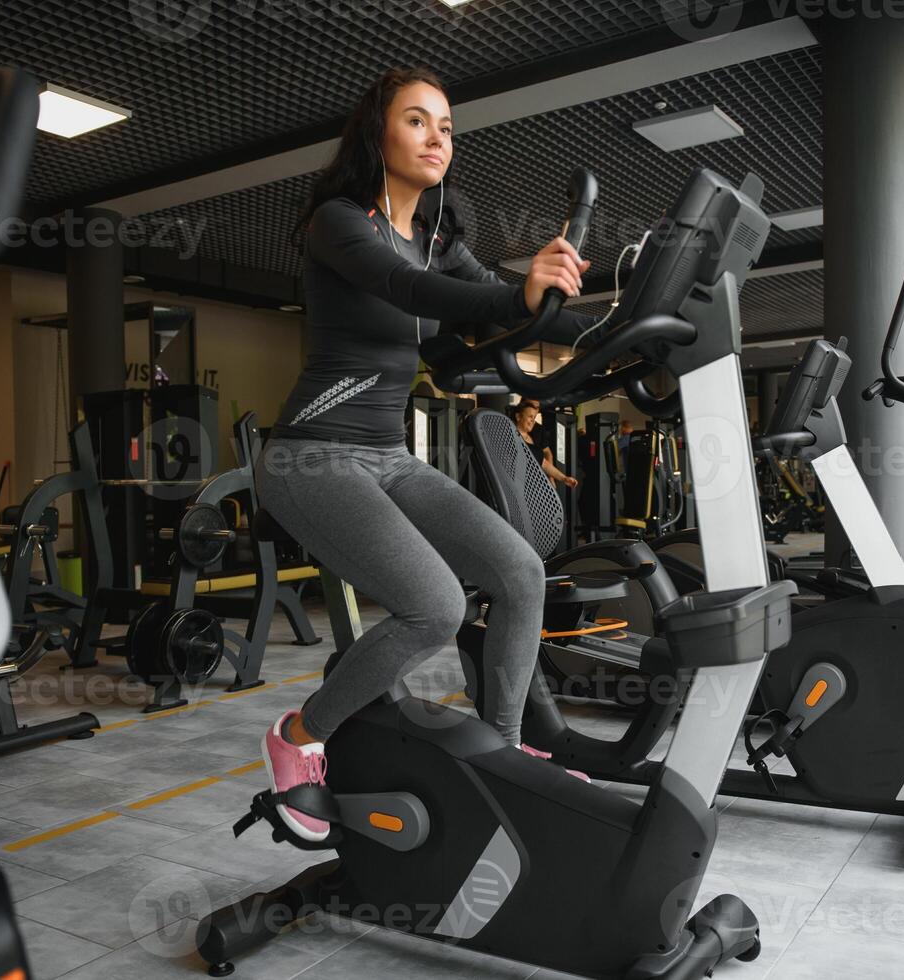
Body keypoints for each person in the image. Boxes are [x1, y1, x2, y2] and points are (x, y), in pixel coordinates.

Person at [257, 67, 594, 841]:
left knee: (519, 572)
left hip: (387, 454)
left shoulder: (437, 237)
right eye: (418, 121)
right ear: (376, 134)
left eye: (445, 125)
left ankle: (503, 756)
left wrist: (620, 324)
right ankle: (297, 736)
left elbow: (505, 313)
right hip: (313, 456)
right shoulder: (339, 223)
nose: (438, 136)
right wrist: (518, 295)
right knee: (434, 608)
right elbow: (415, 292)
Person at [512, 398, 578, 489]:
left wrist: (564, 478)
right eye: (530, 417)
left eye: (534, 417)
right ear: (518, 416)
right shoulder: (510, 436)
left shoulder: (533, 436)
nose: (533, 421)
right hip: (520, 488)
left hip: (536, 488)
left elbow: (544, 463)